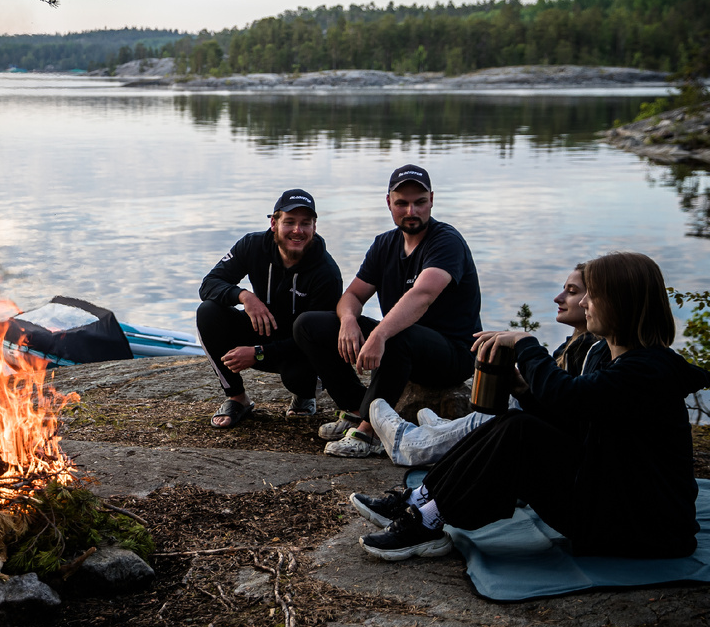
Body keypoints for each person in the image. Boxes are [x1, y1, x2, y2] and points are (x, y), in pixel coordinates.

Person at [352, 251, 709, 561]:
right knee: (513, 421)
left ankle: (427, 521)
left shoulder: (648, 371)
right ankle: (420, 501)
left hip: (641, 529)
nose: (585, 303)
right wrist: (524, 390)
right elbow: (575, 422)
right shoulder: (622, 361)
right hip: (615, 502)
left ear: (622, 303)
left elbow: (566, 395)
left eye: (593, 295)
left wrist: (526, 344)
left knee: (519, 431)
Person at [292, 164, 481, 457]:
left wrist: (379, 334)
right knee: (308, 325)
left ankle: (369, 433)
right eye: (402, 203)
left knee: (394, 332)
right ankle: (357, 408)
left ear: (432, 200)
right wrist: (349, 320)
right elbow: (353, 295)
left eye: (419, 202)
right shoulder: (385, 244)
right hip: (405, 345)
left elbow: (422, 295)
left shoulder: (446, 241)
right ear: (389, 203)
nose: (411, 211)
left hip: (452, 354)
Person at [368, 263, 604, 466]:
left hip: (553, 449)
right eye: (564, 289)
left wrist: (526, 348)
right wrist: (522, 388)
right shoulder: (574, 345)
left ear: (596, 301)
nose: (558, 298)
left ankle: (410, 443)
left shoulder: (591, 350)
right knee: (509, 401)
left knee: (509, 410)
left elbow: (564, 406)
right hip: (545, 434)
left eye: (572, 292)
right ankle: (443, 433)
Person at [198, 189, 343, 428]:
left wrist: (258, 352)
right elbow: (209, 284)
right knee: (208, 312)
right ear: (274, 223)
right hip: (262, 329)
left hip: (299, 348)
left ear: (314, 227)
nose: (298, 230)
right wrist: (244, 296)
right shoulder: (252, 245)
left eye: (305, 223)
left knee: (298, 377)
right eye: (290, 222)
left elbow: (321, 337)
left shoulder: (326, 272)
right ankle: (237, 398)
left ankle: (305, 395)